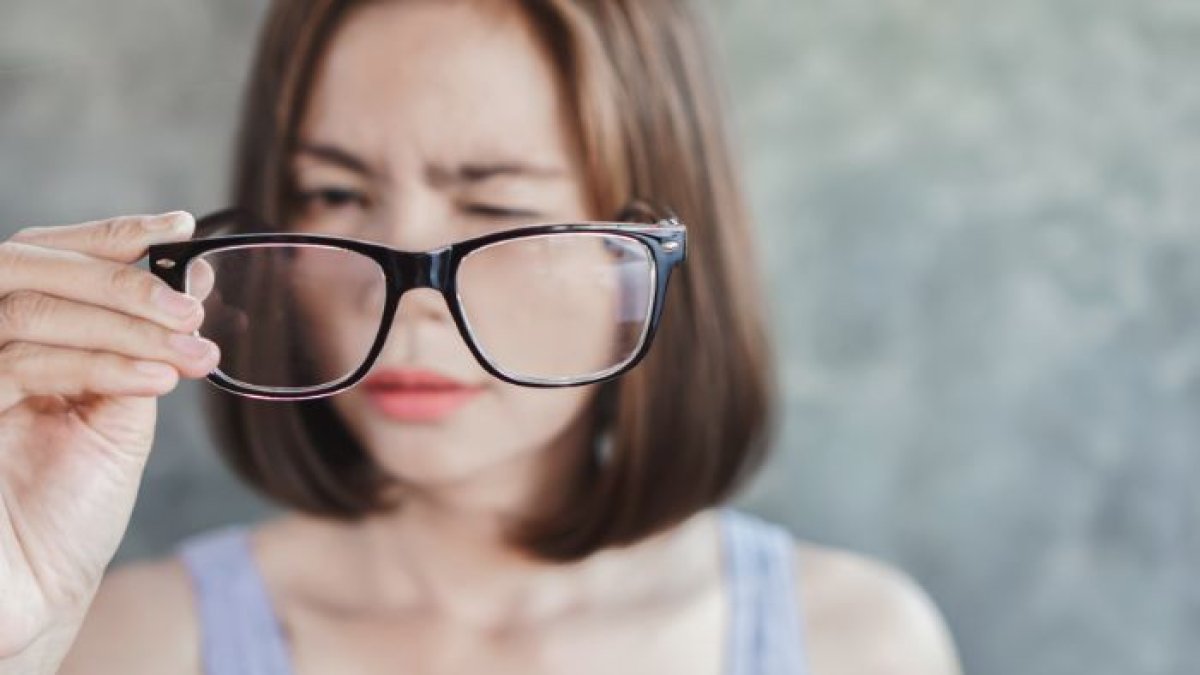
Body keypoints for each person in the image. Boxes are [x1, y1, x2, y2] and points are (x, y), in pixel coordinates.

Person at [0, 1, 961, 673]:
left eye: (498, 205)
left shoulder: (856, 645)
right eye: (337, 194)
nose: (413, 299)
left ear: (647, 246)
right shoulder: (125, 644)